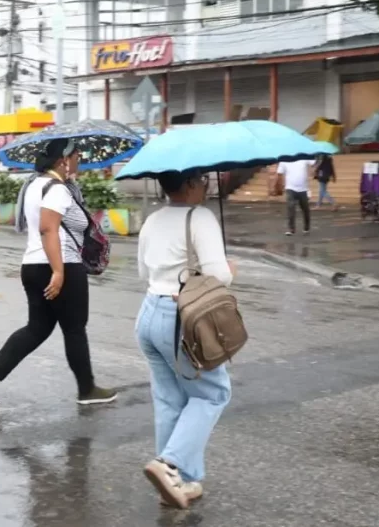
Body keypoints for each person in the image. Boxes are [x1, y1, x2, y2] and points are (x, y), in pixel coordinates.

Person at [0, 138, 117, 406]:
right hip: (59, 266)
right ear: (63, 160)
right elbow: (48, 228)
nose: (79, 160)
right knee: (74, 329)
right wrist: (59, 272)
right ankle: (87, 389)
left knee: (38, 327)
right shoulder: (57, 190)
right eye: (76, 155)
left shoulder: (34, 186)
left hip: (32, 265)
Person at [135, 170, 233, 509]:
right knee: (213, 393)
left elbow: (143, 273)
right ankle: (169, 464)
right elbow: (218, 275)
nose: (206, 186)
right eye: (203, 181)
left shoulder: (152, 220)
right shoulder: (201, 217)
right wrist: (228, 268)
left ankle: (179, 482)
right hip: (182, 318)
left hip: (148, 314)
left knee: (169, 399)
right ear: (189, 184)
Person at [276, 159, 312, 235]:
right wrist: (279, 186)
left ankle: (306, 227)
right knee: (291, 207)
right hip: (290, 188)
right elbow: (279, 173)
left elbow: (314, 163)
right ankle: (291, 229)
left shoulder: (303, 157)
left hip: (303, 189)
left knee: (305, 209)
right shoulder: (284, 160)